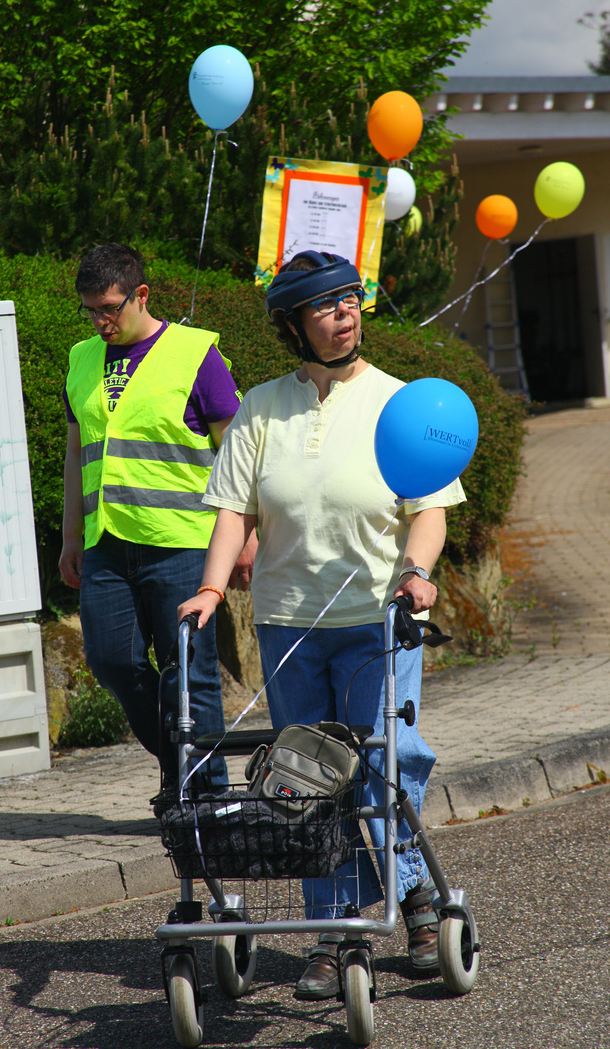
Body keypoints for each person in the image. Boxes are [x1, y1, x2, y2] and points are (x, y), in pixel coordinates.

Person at [178, 250, 466, 996]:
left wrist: (417, 574)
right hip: (287, 621)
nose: (345, 313)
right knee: (306, 784)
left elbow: (427, 507)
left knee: (382, 769)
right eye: (326, 305)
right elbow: (233, 508)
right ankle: (335, 932)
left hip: (377, 621)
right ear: (294, 324)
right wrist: (212, 588)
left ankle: (420, 902)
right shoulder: (262, 406)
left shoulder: (399, 401)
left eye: (350, 299)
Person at [59, 243, 256, 792]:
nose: (100, 321)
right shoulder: (80, 360)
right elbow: (77, 451)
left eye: (109, 308)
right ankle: (181, 766)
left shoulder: (196, 354)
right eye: (90, 310)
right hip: (106, 544)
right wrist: (72, 534)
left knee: (190, 674)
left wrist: (246, 533)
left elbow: (236, 451)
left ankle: (208, 796)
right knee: (111, 661)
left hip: (184, 543)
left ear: (140, 295)